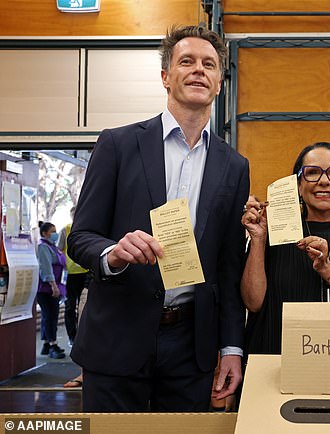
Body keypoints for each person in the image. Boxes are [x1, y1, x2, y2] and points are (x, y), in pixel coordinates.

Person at [67, 25, 249, 412]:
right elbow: (81, 237)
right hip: (117, 336)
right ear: (166, 77)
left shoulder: (234, 166)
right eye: (187, 61)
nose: (199, 70)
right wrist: (114, 252)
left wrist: (231, 348)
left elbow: (228, 266)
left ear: (219, 82)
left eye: (209, 64)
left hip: (191, 345)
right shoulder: (118, 144)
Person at [241, 141, 330, 355]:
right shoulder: (273, 234)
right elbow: (253, 303)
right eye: (312, 173)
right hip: (275, 358)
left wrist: (328, 269)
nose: (324, 181)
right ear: (299, 185)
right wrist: (258, 240)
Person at [57, 206, 89, 347]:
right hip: (70, 275)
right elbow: (59, 249)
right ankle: (72, 337)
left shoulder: (88, 229)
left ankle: (83, 335)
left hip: (85, 273)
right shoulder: (66, 230)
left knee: (85, 305)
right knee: (70, 306)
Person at [36, 221, 67, 360]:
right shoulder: (43, 247)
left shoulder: (52, 246)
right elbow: (46, 268)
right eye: (52, 231)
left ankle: (47, 344)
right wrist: (53, 286)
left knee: (48, 315)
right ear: (44, 233)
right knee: (50, 316)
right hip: (47, 288)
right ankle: (53, 344)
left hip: (54, 286)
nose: (55, 234)